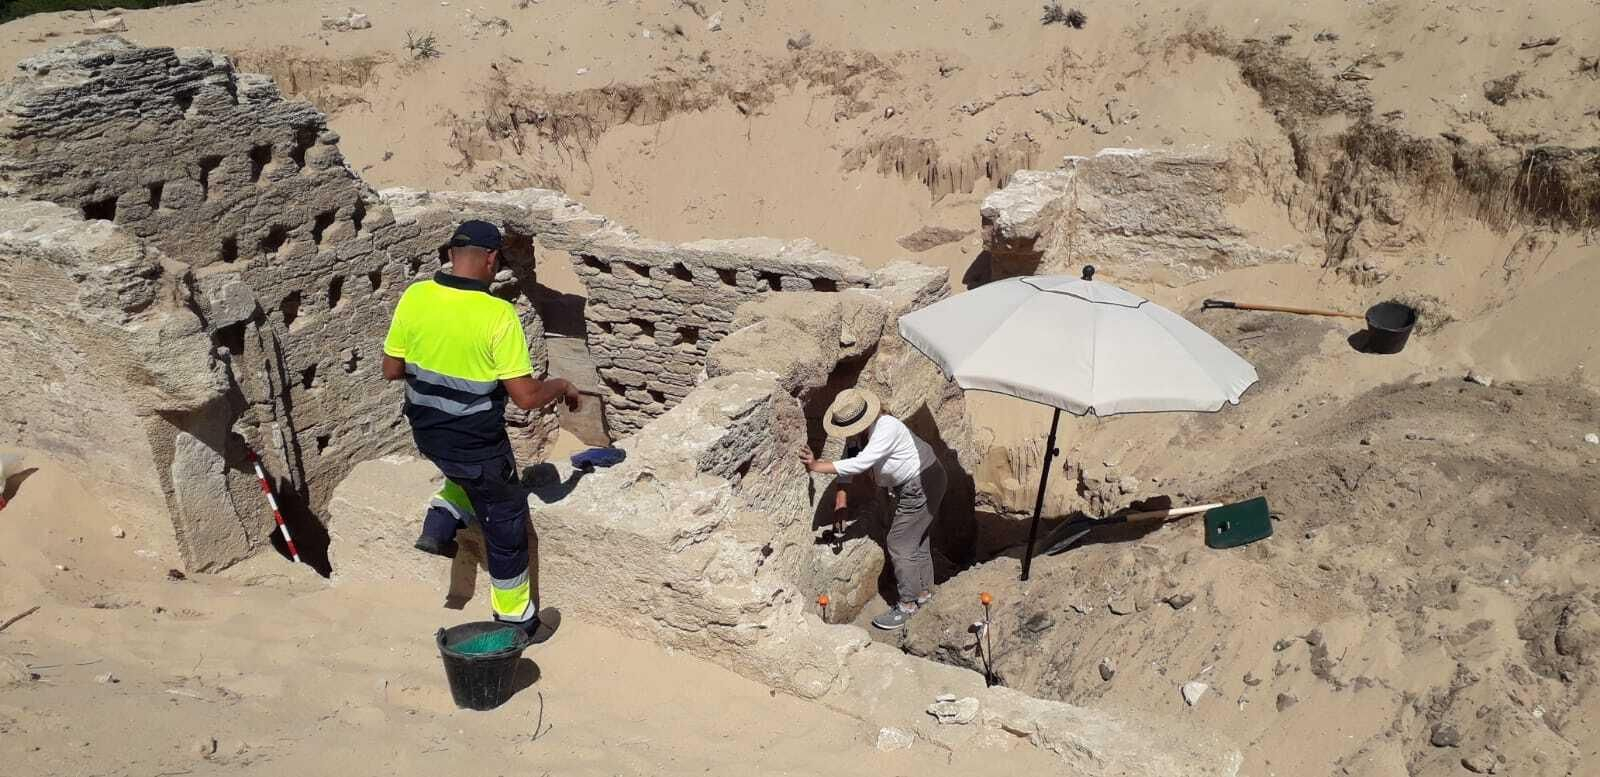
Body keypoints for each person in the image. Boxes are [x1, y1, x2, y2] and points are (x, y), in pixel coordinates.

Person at [381, 219, 580, 636]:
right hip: (476, 443)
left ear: (451, 255)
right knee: (506, 526)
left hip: (427, 433)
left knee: (463, 473)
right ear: (491, 260)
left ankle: (440, 521)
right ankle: (517, 621)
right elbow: (526, 397)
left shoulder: (415, 296)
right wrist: (560, 385)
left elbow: (391, 369)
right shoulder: (497, 314)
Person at [799, 388, 947, 630]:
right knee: (916, 540)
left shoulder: (886, 427)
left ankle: (908, 604)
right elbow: (851, 461)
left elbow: (861, 462)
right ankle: (925, 594)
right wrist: (840, 502)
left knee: (900, 542)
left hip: (921, 482)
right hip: (922, 479)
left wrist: (816, 465)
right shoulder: (860, 433)